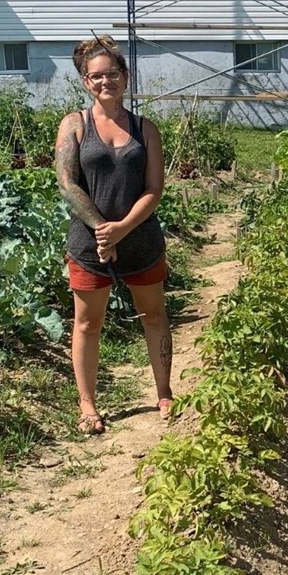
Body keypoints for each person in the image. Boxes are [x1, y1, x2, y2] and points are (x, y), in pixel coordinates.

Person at [54, 36, 173, 435]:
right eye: (96, 76)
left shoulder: (145, 129)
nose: (106, 81)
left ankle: (164, 393)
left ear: (125, 76)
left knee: (154, 316)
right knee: (87, 323)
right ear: (86, 82)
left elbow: (154, 189)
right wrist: (101, 230)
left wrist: (122, 229)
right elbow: (68, 183)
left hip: (141, 240)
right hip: (90, 245)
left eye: (113, 74)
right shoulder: (74, 125)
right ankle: (87, 405)